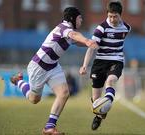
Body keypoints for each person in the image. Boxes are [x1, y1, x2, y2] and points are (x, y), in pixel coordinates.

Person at [10, 7, 98, 135]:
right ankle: (19, 81)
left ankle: (49, 127)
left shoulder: (69, 31)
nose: (82, 20)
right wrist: (86, 40)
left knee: (64, 93)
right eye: (80, 18)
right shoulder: (64, 28)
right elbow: (74, 35)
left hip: (52, 66)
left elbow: (76, 41)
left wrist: (92, 43)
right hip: (38, 66)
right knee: (34, 99)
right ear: (72, 18)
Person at [79, 1, 130, 130]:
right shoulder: (101, 28)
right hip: (100, 62)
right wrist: (85, 65)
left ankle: (107, 102)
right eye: (110, 16)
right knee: (95, 99)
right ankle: (99, 115)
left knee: (111, 81)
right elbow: (91, 48)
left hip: (116, 61)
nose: (112, 19)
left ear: (120, 15)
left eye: (115, 16)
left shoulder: (126, 28)